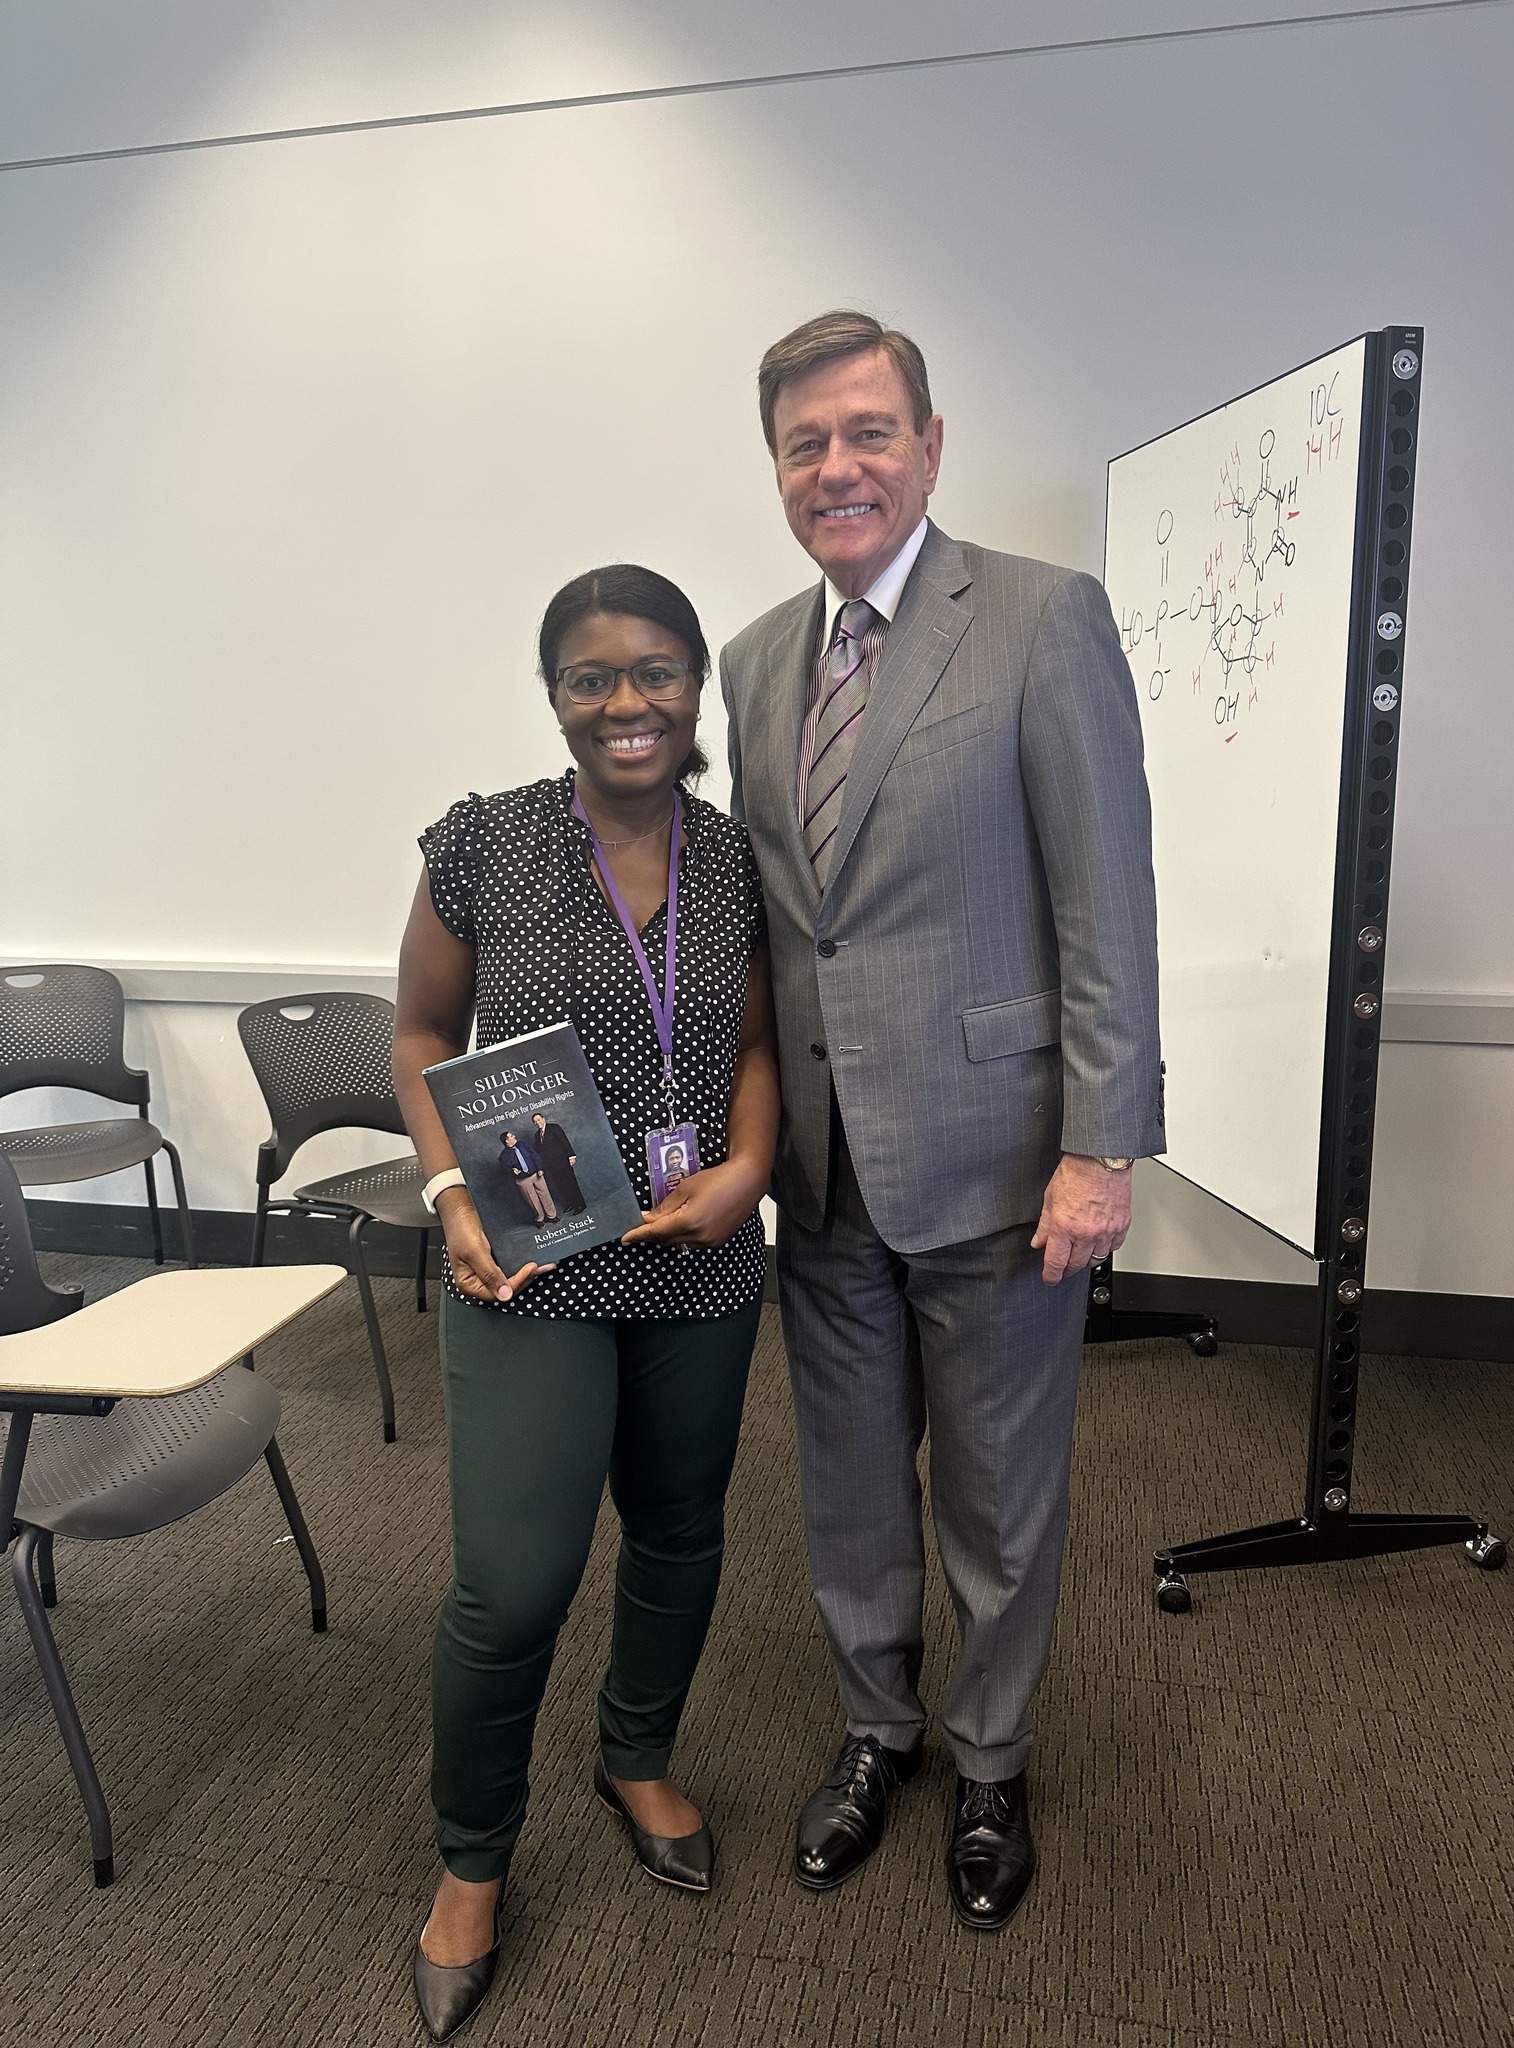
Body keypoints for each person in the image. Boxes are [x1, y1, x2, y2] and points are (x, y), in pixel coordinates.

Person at [718, 312, 1162, 1931]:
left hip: (998, 1157)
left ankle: (989, 1753)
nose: (837, 466)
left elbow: (1106, 899)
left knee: (997, 1487)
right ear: (775, 468)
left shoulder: (1042, 622)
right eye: (804, 443)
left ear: (929, 438)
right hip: (822, 1175)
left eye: (866, 432)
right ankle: (874, 1730)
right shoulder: (758, 658)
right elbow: (783, 926)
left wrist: (1103, 1141)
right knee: (845, 1485)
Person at [393, 563, 779, 2041]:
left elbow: (756, 1043)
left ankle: (636, 1753)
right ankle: (473, 1863)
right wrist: (445, 1198)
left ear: (695, 689)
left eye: (658, 672)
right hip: (534, 1260)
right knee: (513, 1585)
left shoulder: (739, 857)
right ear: (554, 696)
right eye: (592, 679)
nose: (628, 704)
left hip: (697, 1254)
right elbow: (423, 1026)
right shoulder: (483, 845)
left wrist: (751, 1166)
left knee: (682, 1527)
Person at [531, 1110, 586, 1213]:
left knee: (571, 1183)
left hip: (563, 1162)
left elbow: (564, 1141)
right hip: (551, 1165)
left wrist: (571, 1156)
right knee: (562, 1185)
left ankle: (580, 1204)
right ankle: (572, 1204)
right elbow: (538, 1151)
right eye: (535, 1122)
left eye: (539, 1120)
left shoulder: (554, 1128)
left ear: (543, 1119)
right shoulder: (536, 1135)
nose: (538, 1123)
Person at [497, 1128, 556, 1222]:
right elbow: (503, 1169)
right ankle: (540, 1219)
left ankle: (552, 1216)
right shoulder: (504, 1156)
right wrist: (512, 1170)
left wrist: (540, 1168)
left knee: (545, 1195)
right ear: (507, 1141)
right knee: (532, 1200)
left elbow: (535, 1156)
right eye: (511, 1136)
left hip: (536, 1174)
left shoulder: (523, 1145)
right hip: (523, 1180)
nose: (514, 1136)